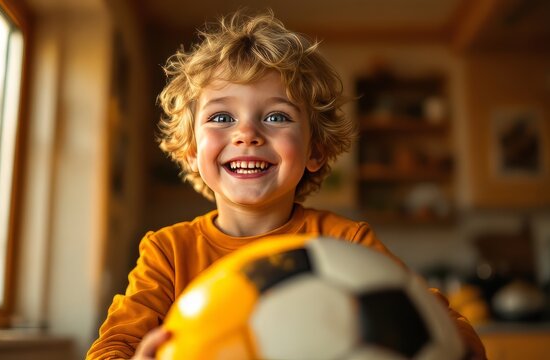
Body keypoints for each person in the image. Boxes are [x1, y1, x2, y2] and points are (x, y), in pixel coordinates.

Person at [86, 10, 486, 360]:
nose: (247, 134)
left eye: (276, 117)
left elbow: (428, 313)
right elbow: (111, 346)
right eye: (221, 118)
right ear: (191, 150)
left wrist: (458, 344)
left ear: (315, 150)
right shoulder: (168, 253)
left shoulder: (345, 241)